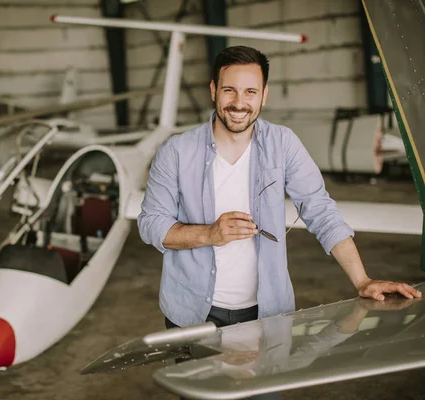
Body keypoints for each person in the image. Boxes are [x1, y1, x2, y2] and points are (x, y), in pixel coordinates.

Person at [137, 45, 422, 332]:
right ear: (213, 90)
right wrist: (209, 234)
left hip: (267, 314)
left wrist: (363, 280)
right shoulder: (175, 151)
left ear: (264, 94)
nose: (239, 103)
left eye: (250, 91)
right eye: (229, 90)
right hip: (190, 313)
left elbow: (320, 210)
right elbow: (151, 223)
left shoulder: (283, 144)